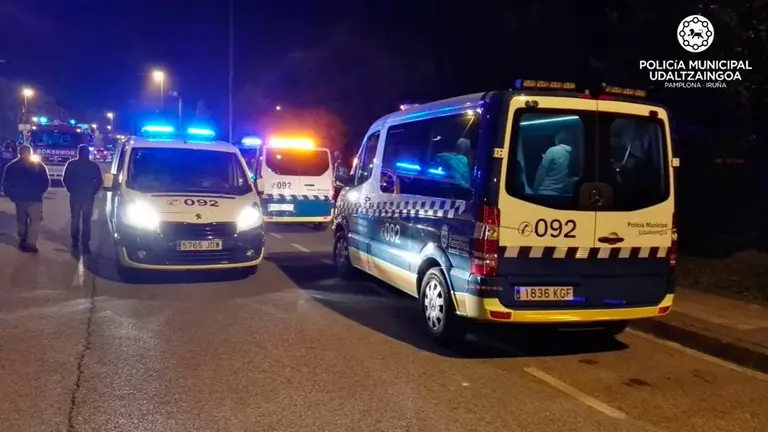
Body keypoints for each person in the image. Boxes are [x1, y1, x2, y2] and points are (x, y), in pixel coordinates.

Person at [1, 144, 50, 253]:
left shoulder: (11, 166)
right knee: (35, 221)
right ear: (30, 153)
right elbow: (46, 182)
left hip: (20, 199)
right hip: (35, 199)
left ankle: (22, 240)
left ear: (19, 153)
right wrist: (40, 193)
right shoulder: (39, 166)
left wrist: (12, 196)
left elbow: (6, 184)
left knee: (22, 221)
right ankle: (31, 243)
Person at [63, 144, 103, 254]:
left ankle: (75, 242)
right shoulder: (93, 166)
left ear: (78, 152)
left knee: (75, 219)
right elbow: (99, 181)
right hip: (88, 197)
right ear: (88, 153)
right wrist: (93, 192)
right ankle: (85, 245)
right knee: (86, 221)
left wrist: (71, 190)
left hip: (75, 195)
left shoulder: (71, 164)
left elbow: (65, 179)